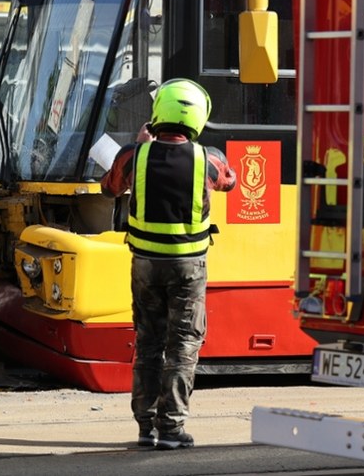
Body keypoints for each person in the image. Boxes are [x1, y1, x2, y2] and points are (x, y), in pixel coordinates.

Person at [100, 78, 236, 450]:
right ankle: (172, 429)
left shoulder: (134, 155)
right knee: (183, 345)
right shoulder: (208, 159)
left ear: (158, 113)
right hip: (188, 267)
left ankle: (145, 428)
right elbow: (230, 181)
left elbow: (108, 188)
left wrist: (140, 146)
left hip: (145, 264)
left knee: (148, 343)